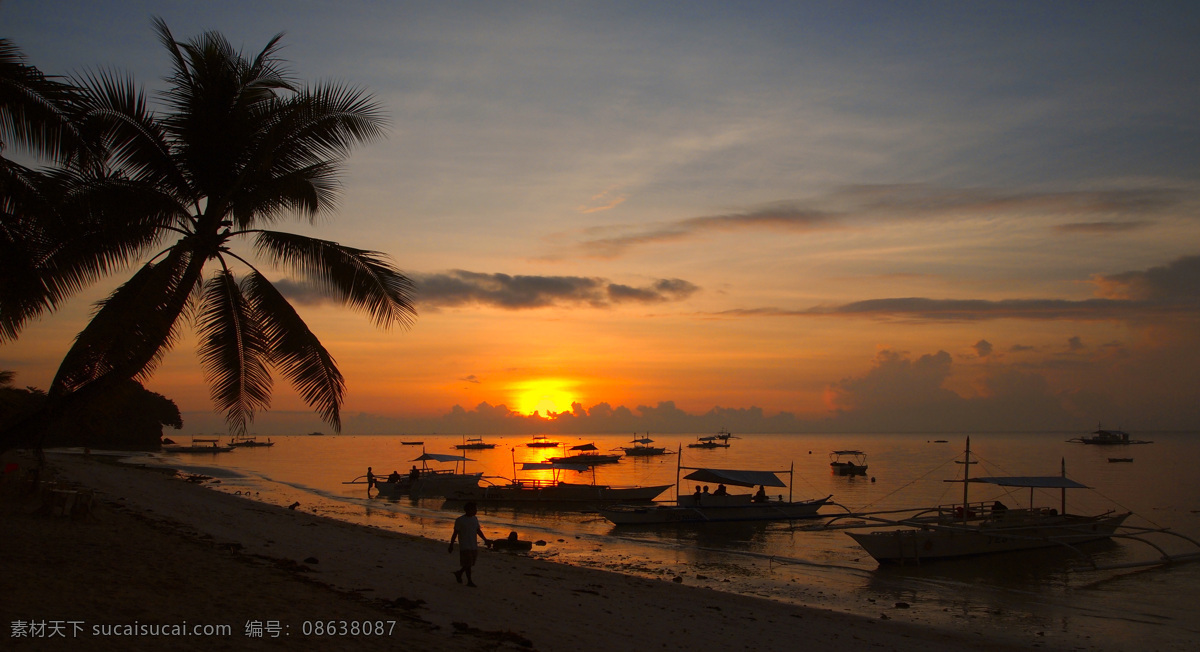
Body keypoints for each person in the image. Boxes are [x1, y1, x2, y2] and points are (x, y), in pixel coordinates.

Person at [449, 502, 489, 587]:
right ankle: (469, 581)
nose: (475, 511)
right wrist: (451, 544)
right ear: (467, 510)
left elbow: (478, 531)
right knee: (468, 564)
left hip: (473, 545)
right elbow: (455, 533)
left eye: (475, 509)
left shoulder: (475, 519)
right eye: (473, 509)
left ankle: (459, 573)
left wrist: (485, 539)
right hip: (464, 545)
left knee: (469, 564)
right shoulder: (460, 520)